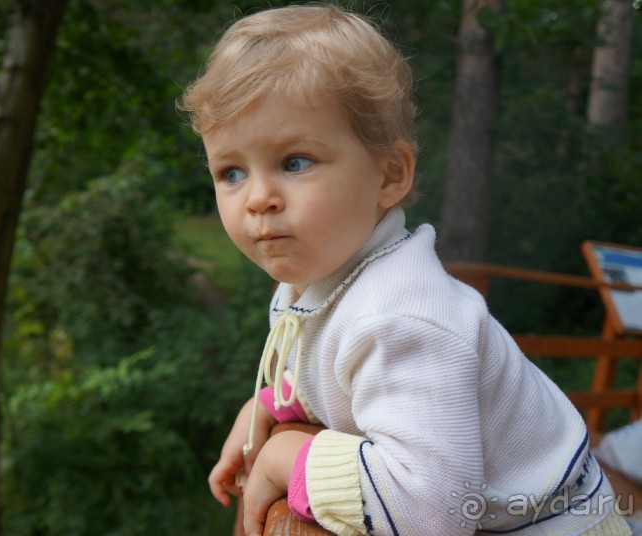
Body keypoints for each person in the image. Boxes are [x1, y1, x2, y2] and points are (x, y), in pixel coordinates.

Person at [178, 4, 631, 536]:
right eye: (231, 171)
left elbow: (429, 511)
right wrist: (273, 406)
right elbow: (337, 369)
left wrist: (288, 457)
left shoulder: (404, 317)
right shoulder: (324, 281)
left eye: (294, 161)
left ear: (390, 174)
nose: (258, 198)